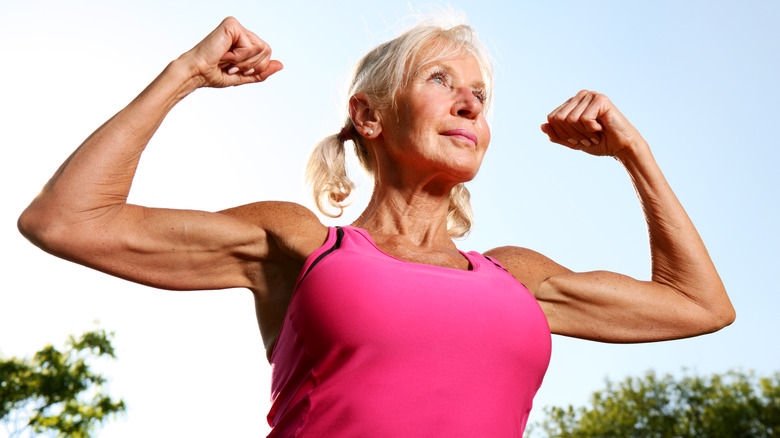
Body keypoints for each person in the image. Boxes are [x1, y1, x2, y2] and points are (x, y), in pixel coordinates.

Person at [18, 16, 734, 437]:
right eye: (441, 81)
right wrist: (184, 74)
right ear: (370, 116)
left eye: (480, 95)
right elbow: (66, 220)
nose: (469, 104)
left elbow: (700, 305)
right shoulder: (301, 244)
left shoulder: (518, 277)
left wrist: (634, 155)